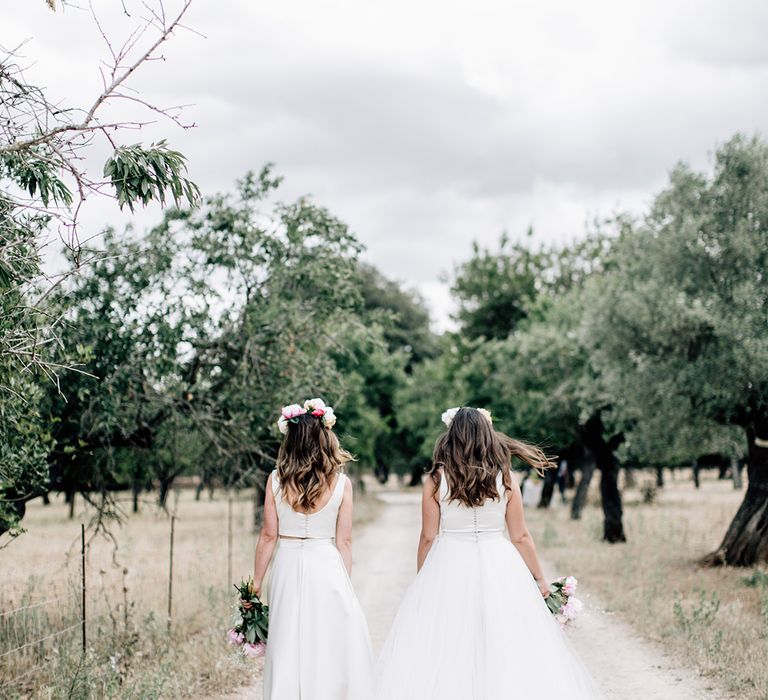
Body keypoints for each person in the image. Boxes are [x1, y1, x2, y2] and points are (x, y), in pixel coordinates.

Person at [375, 406, 602, 700]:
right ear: (488, 436)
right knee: (504, 638)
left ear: (451, 436)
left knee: (450, 642)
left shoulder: (435, 479)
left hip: (449, 562)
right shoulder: (505, 477)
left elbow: (428, 537)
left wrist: (424, 579)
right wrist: (540, 579)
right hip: (500, 562)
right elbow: (520, 536)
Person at [252, 398, 374, 700]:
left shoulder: (276, 480)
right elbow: (344, 541)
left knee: (287, 641)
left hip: (287, 563)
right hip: (327, 565)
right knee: (326, 642)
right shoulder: (342, 483)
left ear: (290, 440)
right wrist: (344, 581)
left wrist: (255, 582)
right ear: (324, 437)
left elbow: (268, 535)